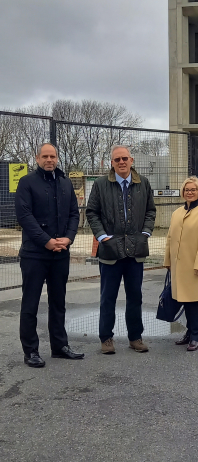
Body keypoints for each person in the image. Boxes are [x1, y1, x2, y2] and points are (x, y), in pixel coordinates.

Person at [15, 142, 84, 368]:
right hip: (34, 255)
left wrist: (69, 238)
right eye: (45, 156)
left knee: (58, 302)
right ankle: (31, 351)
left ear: (57, 158)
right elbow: (25, 217)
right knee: (30, 304)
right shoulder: (26, 183)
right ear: (37, 159)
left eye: (52, 156)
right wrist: (46, 241)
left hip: (60, 254)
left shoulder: (64, 183)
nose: (49, 160)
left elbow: (74, 214)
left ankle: (59, 346)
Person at [86, 145, 156, 354]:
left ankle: (135, 337)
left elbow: (150, 211)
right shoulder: (100, 185)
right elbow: (92, 212)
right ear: (112, 163)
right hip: (110, 251)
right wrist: (102, 236)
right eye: (117, 159)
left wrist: (145, 233)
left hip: (136, 251)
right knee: (108, 297)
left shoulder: (143, 183)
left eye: (125, 158)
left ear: (131, 160)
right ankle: (106, 338)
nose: (121, 162)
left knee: (135, 297)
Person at [164, 176, 198, 351]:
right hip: (180, 267)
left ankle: (196, 336)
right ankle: (188, 333)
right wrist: (168, 260)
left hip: (195, 267)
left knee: (195, 302)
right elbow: (170, 238)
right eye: (187, 190)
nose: (190, 192)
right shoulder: (177, 213)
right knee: (185, 301)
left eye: (193, 189)